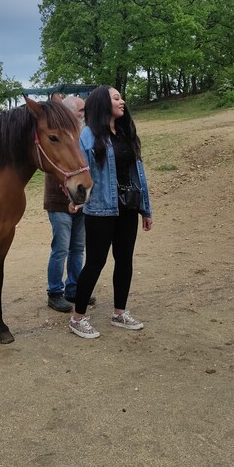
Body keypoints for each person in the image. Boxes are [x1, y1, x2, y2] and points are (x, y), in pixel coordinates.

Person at [69, 85, 153, 338]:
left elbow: (139, 173)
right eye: (116, 98)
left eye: (121, 97)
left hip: (127, 207)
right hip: (100, 210)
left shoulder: (126, 132)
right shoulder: (87, 135)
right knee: (95, 262)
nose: (122, 101)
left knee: (125, 259)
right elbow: (78, 170)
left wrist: (145, 209)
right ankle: (77, 318)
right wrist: (77, 199)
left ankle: (119, 312)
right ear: (102, 104)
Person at [44, 95, 96, 312]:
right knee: (61, 249)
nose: (85, 113)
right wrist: (69, 200)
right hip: (59, 204)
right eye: (82, 110)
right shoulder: (60, 137)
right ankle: (54, 292)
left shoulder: (79, 135)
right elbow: (58, 171)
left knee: (77, 248)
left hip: (80, 201)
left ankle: (73, 288)